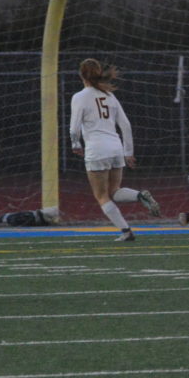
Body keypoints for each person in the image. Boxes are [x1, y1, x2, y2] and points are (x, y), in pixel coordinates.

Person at [68, 58, 159, 242]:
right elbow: (125, 125)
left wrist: (76, 145)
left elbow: (74, 128)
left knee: (101, 195)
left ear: (81, 75)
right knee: (114, 191)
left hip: (97, 150)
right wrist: (128, 152)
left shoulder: (79, 97)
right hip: (116, 148)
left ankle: (126, 231)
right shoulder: (109, 96)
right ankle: (139, 195)